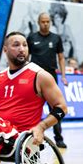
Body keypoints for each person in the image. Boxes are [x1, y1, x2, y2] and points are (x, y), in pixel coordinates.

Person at [0, 31, 67, 164]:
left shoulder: (40, 75)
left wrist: (41, 127)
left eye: (25, 45)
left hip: (20, 137)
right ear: (5, 50)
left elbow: (61, 108)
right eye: (16, 45)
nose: (22, 49)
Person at [27, 12, 68, 149]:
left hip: (51, 77)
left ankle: (59, 138)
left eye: (48, 21)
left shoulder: (56, 38)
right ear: (39, 22)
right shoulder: (31, 38)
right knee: (32, 108)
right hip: (34, 76)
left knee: (55, 108)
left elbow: (61, 58)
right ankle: (31, 137)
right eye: (43, 21)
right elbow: (26, 57)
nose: (46, 24)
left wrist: (63, 75)